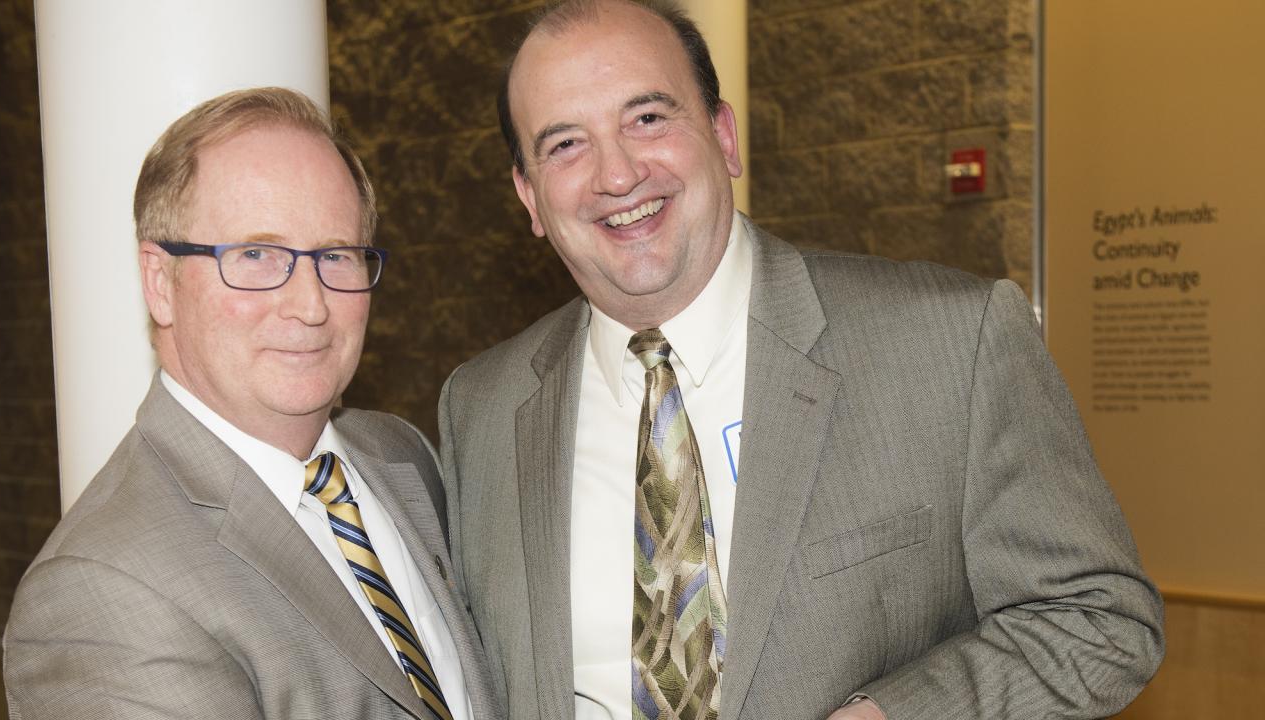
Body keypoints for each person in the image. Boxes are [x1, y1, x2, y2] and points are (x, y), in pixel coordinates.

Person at [436, 2, 1164, 719]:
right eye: (566, 144)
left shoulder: (949, 345)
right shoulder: (481, 409)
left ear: (723, 136)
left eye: (648, 118)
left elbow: (1099, 619)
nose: (617, 174)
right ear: (530, 196)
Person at [5, 88, 499, 720]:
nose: (310, 304)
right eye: (257, 255)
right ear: (161, 282)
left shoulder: (398, 454)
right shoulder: (99, 593)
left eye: (335, 256)